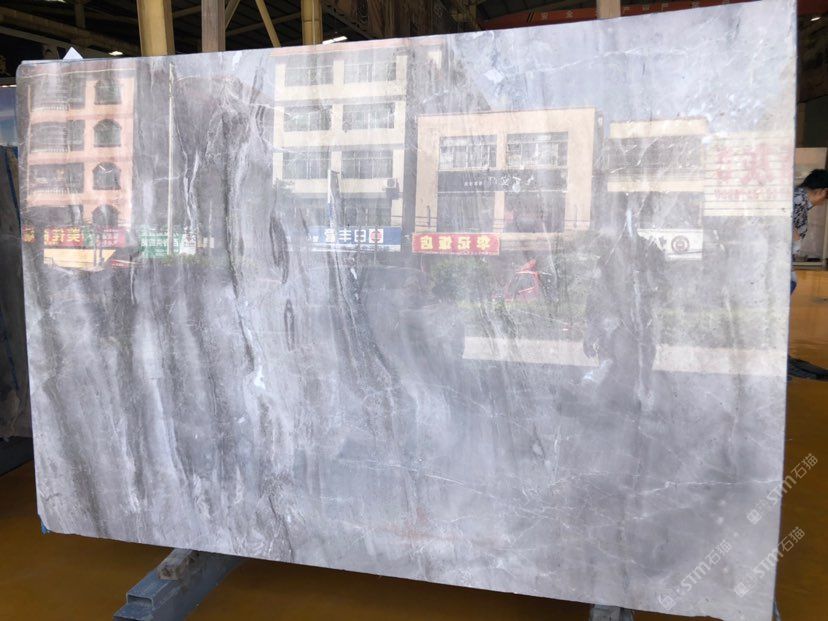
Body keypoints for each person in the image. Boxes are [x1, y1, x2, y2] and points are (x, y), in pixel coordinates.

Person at [791, 169, 828, 293]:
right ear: (823, 191)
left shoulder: (800, 198)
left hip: (783, 256)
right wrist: (796, 244)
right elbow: (787, 224)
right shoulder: (799, 200)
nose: (824, 202)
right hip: (779, 256)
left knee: (791, 284)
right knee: (790, 284)